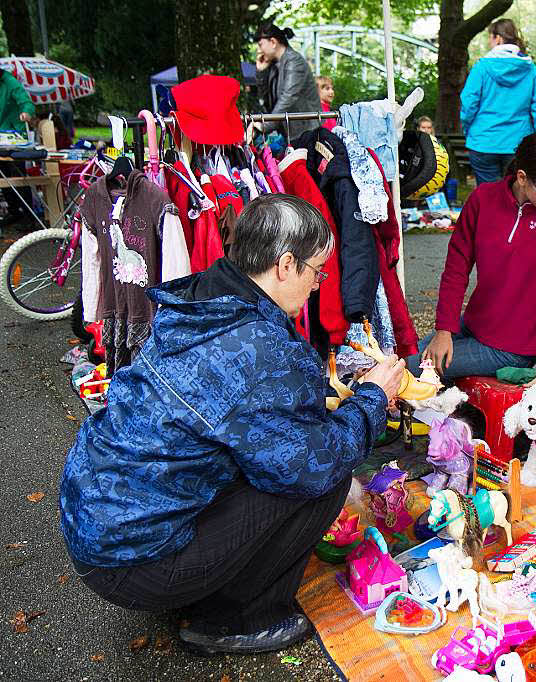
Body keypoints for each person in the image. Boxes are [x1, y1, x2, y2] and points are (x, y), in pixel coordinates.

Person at [59, 195, 406, 655]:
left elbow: (245, 411)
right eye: (317, 271)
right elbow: (312, 462)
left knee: (291, 453)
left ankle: (202, 583)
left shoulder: (202, 299)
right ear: (285, 265)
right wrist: (374, 399)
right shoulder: (260, 346)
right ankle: (234, 620)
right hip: (135, 566)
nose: (319, 284)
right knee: (328, 473)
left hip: (96, 529)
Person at [406, 130, 536, 384]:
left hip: (514, 348)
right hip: (473, 325)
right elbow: (456, 269)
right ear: (522, 178)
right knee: (403, 356)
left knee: (410, 368)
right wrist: (444, 330)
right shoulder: (483, 200)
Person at [460, 18, 536, 184]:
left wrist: (468, 129)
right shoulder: (530, 69)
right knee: (517, 195)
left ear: (498, 38)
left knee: (488, 196)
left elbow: (468, 104)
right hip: (518, 143)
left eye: (490, 37)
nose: (489, 42)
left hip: (483, 141)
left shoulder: (481, 67)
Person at [254, 23, 322, 142]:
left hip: (307, 133)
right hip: (291, 134)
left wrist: (263, 126)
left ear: (273, 42)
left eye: (260, 45)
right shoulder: (275, 65)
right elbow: (265, 100)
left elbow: (288, 97)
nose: (259, 50)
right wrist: (261, 72)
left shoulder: (294, 61)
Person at [0, 67, 35, 226]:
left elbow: (26, 101)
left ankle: (29, 216)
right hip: (1, 137)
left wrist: (26, 112)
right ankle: (14, 212)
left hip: (15, 138)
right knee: (2, 176)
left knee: (18, 175)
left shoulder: (10, 82)